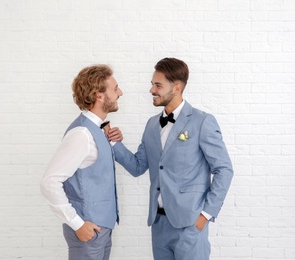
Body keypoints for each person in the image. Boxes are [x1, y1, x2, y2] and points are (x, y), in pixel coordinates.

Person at [113, 57, 233, 260]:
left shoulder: (202, 121)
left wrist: (205, 215)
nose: (152, 90)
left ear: (176, 88)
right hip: (158, 224)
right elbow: (138, 166)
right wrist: (114, 144)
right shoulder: (151, 124)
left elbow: (224, 169)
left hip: (190, 223)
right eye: (152, 84)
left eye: (158, 85)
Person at [40, 64, 123, 260]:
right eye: (115, 88)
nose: (120, 92)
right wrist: (77, 224)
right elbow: (49, 182)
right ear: (99, 95)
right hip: (87, 232)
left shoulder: (98, 129)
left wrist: (112, 141)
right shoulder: (81, 134)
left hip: (100, 230)